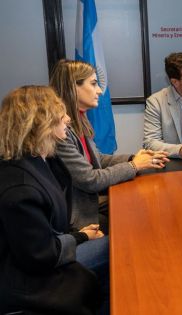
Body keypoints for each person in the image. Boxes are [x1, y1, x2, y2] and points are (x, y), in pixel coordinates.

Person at [0, 86, 104, 314]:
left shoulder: (39, 160)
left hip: (43, 259)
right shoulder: (20, 187)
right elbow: (40, 256)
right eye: (61, 115)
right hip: (29, 282)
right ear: (40, 124)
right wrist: (81, 236)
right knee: (114, 250)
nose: (68, 118)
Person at [50, 59, 170, 233]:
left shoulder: (79, 119)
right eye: (93, 84)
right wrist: (134, 166)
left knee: (146, 204)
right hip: (78, 216)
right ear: (72, 88)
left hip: (90, 203)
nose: (99, 90)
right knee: (137, 224)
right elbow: (90, 180)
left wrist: (134, 158)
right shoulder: (61, 132)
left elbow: (98, 159)